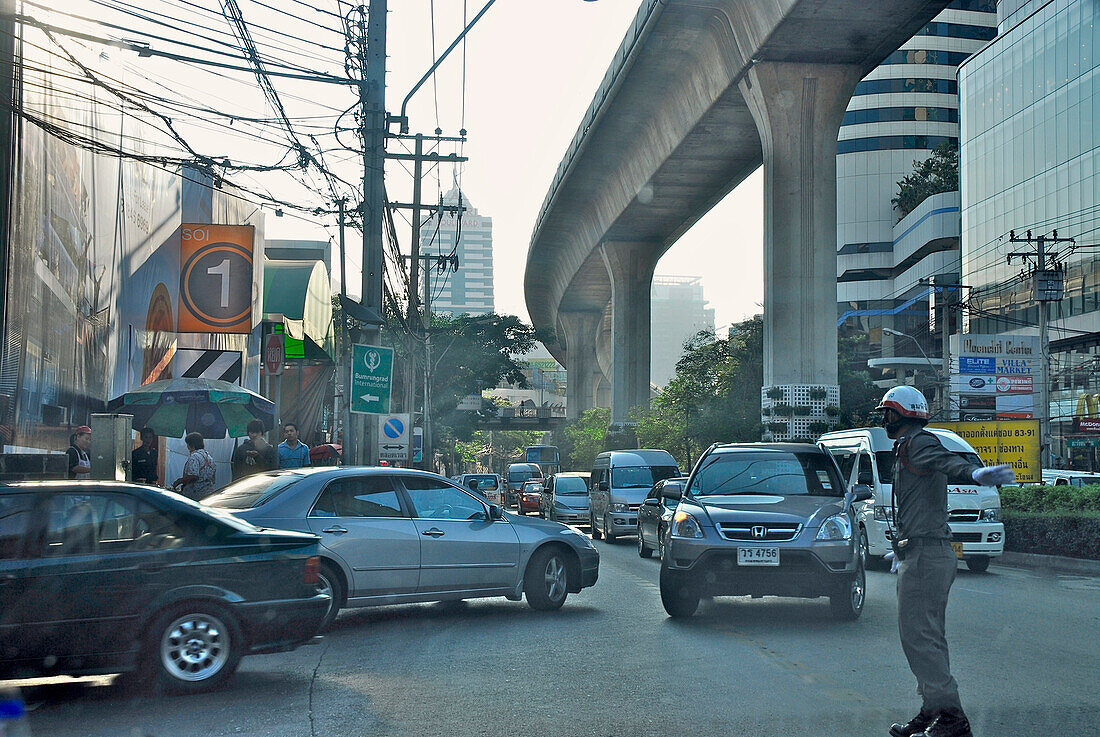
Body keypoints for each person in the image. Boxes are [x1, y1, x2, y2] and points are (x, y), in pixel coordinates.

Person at [877, 386, 1014, 737]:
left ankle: (952, 719)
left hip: (927, 555)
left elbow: (947, 461)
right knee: (926, 638)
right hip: (921, 551)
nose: (884, 419)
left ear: (905, 413)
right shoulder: (907, 447)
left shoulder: (920, 443)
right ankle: (933, 710)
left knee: (919, 639)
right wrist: (904, 544)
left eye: (888, 413)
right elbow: (917, 502)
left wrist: (973, 474)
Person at [173, 432, 217, 501]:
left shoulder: (194, 457)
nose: (187, 447)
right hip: (208, 493)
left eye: (187, 444)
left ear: (191, 444)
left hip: (196, 495)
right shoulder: (209, 458)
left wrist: (180, 481)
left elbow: (194, 476)